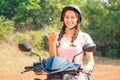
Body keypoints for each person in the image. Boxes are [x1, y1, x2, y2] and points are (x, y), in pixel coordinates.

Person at [47, 4, 95, 80]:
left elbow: (91, 60)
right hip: (59, 76)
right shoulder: (55, 35)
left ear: (77, 19)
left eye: (72, 17)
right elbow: (53, 59)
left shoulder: (85, 36)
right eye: (66, 17)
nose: (69, 20)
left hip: (77, 76)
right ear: (63, 19)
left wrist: (89, 65)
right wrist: (52, 42)